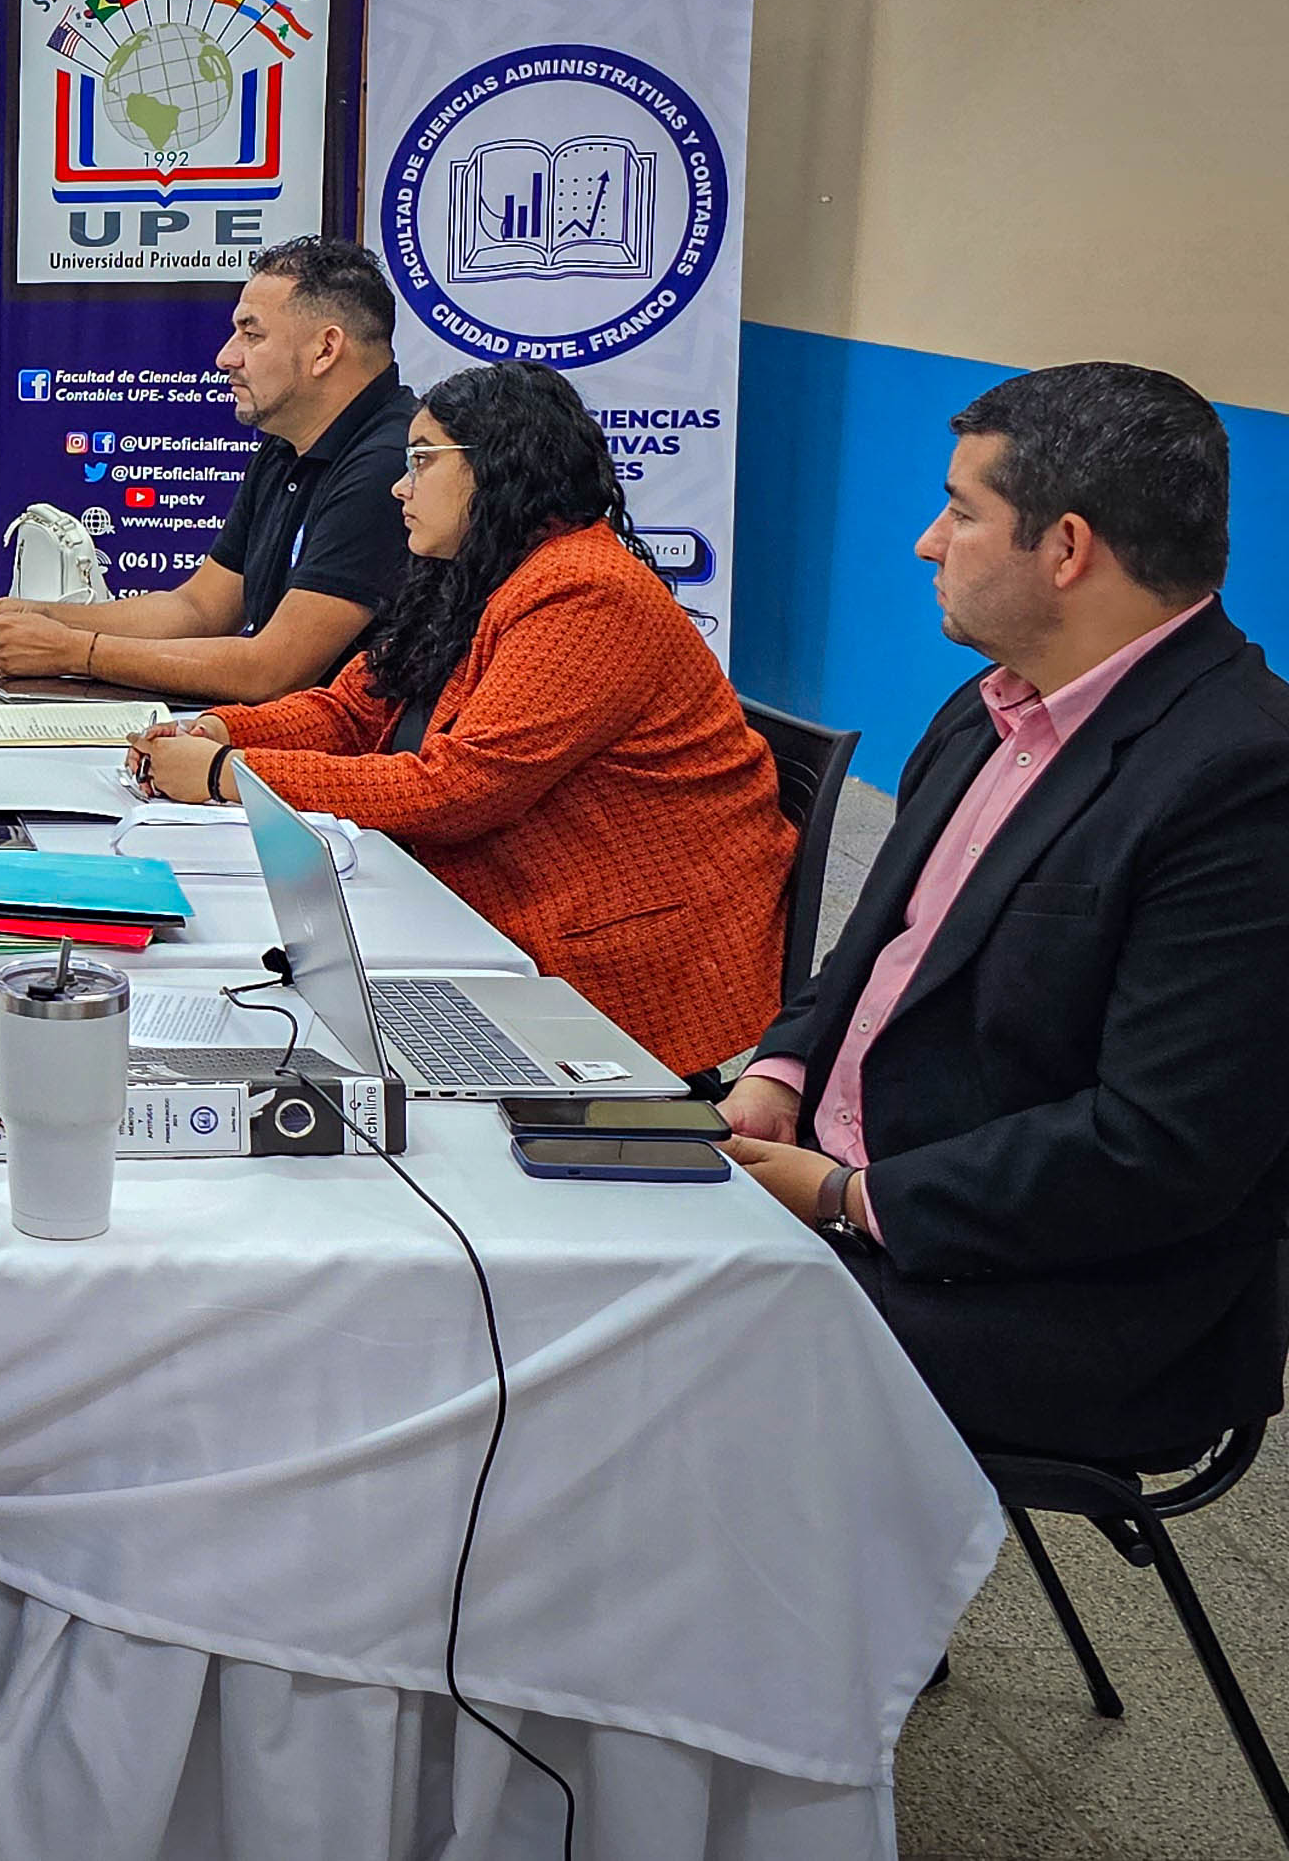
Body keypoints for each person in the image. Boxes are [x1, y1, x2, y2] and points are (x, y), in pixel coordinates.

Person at [713, 363, 1289, 1458]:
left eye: (961, 512)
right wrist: (778, 1075)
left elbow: (1156, 1147)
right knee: (552, 1247)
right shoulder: (989, 706)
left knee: (626, 1356)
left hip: (1067, 1296)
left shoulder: (1244, 779)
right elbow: (874, 950)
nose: (929, 541)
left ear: (1066, 548)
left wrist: (847, 1195)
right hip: (860, 1193)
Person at [126, 361, 790, 1075]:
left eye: (421, 461)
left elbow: (460, 789)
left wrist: (231, 775)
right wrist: (225, 730)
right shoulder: (470, 568)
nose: (399, 485)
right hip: (493, 901)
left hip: (615, 960)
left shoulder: (588, 592)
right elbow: (353, 710)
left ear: (498, 467)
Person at [0, 235, 412, 701]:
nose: (225, 358)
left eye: (251, 335)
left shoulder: (391, 464)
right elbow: (199, 610)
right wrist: (44, 617)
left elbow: (274, 670)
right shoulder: (285, 446)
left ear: (325, 349)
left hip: (349, 759)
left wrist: (74, 651)